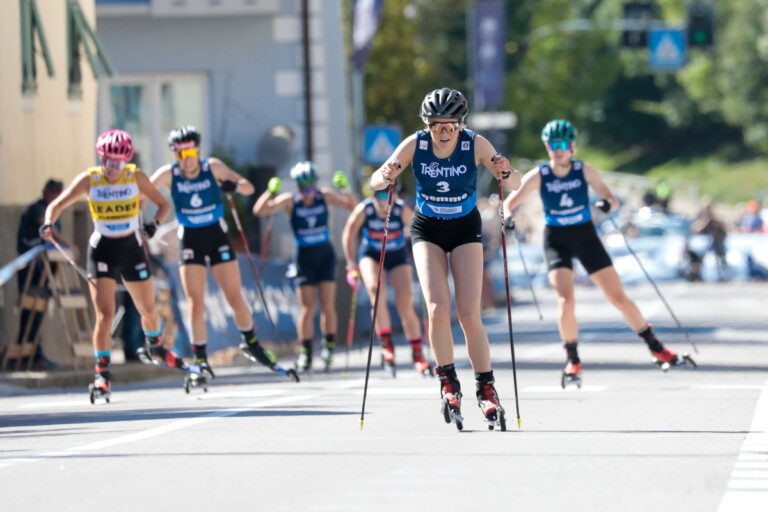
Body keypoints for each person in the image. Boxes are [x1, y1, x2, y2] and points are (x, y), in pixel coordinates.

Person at [502, 119, 695, 387]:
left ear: (572, 147)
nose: (557, 150)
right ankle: (572, 358)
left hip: (585, 236)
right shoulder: (539, 174)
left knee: (618, 297)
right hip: (556, 238)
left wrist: (606, 202)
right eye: (551, 145)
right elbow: (508, 204)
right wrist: (508, 217)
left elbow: (611, 198)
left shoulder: (583, 170)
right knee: (565, 301)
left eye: (562, 145)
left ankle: (656, 347)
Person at [369, 87, 521, 429]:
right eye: (436, 124)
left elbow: (514, 183)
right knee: (437, 308)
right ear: (427, 124)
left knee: (469, 312)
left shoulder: (475, 143)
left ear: (460, 124)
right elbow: (375, 181)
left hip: (465, 228)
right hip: (427, 229)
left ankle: (486, 388)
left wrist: (506, 171)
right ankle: (448, 383)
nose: (443, 131)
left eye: (450, 125)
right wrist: (387, 173)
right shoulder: (415, 144)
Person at [40, 129, 189, 401]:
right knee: (105, 315)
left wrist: (152, 225)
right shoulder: (90, 179)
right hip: (103, 250)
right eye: (106, 161)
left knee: (147, 308)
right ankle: (102, 374)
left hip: (131, 249)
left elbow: (162, 204)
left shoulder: (135, 177)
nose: (111, 168)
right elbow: (57, 205)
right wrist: (49, 223)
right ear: (101, 158)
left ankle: (155, 346)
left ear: (127, 161)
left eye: (117, 163)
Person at [150, 126, 281, 384]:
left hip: (216, 237)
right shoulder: (169, 173)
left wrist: (234, 185)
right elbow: (142, 191)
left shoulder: (213, 167)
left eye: (190, 153)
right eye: (180, 154)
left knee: (234, 296)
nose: (186, 160)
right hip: (190, 239)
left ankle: (251, 343)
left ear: (197, 150)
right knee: (195, 303)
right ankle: (200, 361)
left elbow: (248, 188)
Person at [252, 161, 356, 373]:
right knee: (307, 308)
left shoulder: (324, 196)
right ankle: (306, 352)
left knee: (328, 305)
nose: (308, 194)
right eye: (303, 189)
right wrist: (270, 193)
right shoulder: (291, 201)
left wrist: (345, 190)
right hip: (303, 258)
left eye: (311, 188)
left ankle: (328, 347)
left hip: (325, 255)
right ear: (297, 187)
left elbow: (354, 206)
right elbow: (259, 211)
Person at [341, 186, 430, 377]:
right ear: (373, 197)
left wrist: (423, 261)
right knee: (375, 291)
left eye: (388, 197)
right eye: (379, 197)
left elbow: (421, 232)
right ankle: (387, 347)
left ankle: (417, 353)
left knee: (404, 303)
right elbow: (348, 234)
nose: (383, 202)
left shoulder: (400, 209)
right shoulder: (365, 209)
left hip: (397, 254)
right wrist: (351, 265)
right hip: (371, 254)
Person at [14, 179, 76, 369]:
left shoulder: (57, 213)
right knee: (30, 311)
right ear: (47, 192)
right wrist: (69, 245)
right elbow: (47, 229)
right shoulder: (38, 209)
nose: (57, 197)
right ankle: (26, 355)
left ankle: (35, 353)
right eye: (54, 193)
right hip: (31, 270)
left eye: (60, 193)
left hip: (45, 271)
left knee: (39, 311)